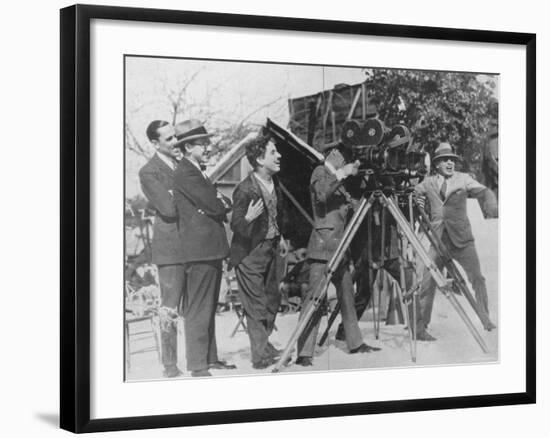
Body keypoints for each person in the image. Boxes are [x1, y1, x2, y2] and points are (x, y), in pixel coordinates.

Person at [296, 143, 381, 367]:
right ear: (333, 154)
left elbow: (352, 207)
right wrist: (343, 174)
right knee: (315, 298)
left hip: (341, 247)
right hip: (323, 248)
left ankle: (355, 342)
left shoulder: (339, 182)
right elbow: (322, 196)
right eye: (343, 158)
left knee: (347, 296)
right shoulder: (321, 172)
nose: (345, 162)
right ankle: (304, 352)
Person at [412, 142, 498, 341]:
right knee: (427, 282)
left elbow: (483, 191)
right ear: (437, 164)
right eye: (445, 160)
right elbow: (414, 193)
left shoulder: (463, 179)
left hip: (462, 240)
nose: (450, 163)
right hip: (437, 241)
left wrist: (490, 200)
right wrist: (419, 201)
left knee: (477, 278)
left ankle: (486, 320)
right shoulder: (429, 182)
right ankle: (421, 328)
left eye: (452, 159)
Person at [172, 119, 236, 377]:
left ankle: (210, 358)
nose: (208, 146)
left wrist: (217, 203)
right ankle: (198, 365)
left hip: (208, 249)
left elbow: (220, 202)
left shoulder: (195, 170)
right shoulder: (187, 172)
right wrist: (217, 204)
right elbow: (216, 205)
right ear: (188, 147)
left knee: (207, 306)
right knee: (199, 308)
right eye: (203, 143)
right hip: (200, 251)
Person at [229, 133, 289, 369]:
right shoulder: (244, 190)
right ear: (259, 159)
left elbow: (276, 214)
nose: (279, 156)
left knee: (272, 301)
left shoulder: (277, 183)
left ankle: (264, 344)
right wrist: (248, 218)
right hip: (249, 254)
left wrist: (280, 235)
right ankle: (260, 356)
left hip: (271, 249)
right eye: (273, 152)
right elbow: (236, 225)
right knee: (256, 306)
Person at [138, 120, 184, 378]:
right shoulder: (149, 172)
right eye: (169, 139)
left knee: (199, 305)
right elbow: (168, 208)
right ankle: (170, 365)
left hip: (192, 245)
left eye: (175, 136)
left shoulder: (183, 165)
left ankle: (205, 360)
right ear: (155, 144)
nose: (176, 142)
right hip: (170, 250)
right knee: (170, 308)